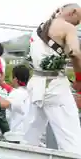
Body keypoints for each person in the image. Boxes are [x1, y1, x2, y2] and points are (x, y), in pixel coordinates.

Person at [24, 3, 81, 155]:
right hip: (55, 87)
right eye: (78, 20)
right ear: (73, 12)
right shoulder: (68, 28)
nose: (77, 24)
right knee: (71, 138)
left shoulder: (39, 29)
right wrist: (79, 79)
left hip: (35, 85)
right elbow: (75, 52)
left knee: (30, 137)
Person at [0, 65, 31, 143]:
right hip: (26, 134)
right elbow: (13, 91)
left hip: (17, 136)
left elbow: (4, 104)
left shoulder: (17, 93)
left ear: (15, 79)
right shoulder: (26, 91)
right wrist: (3, 84)